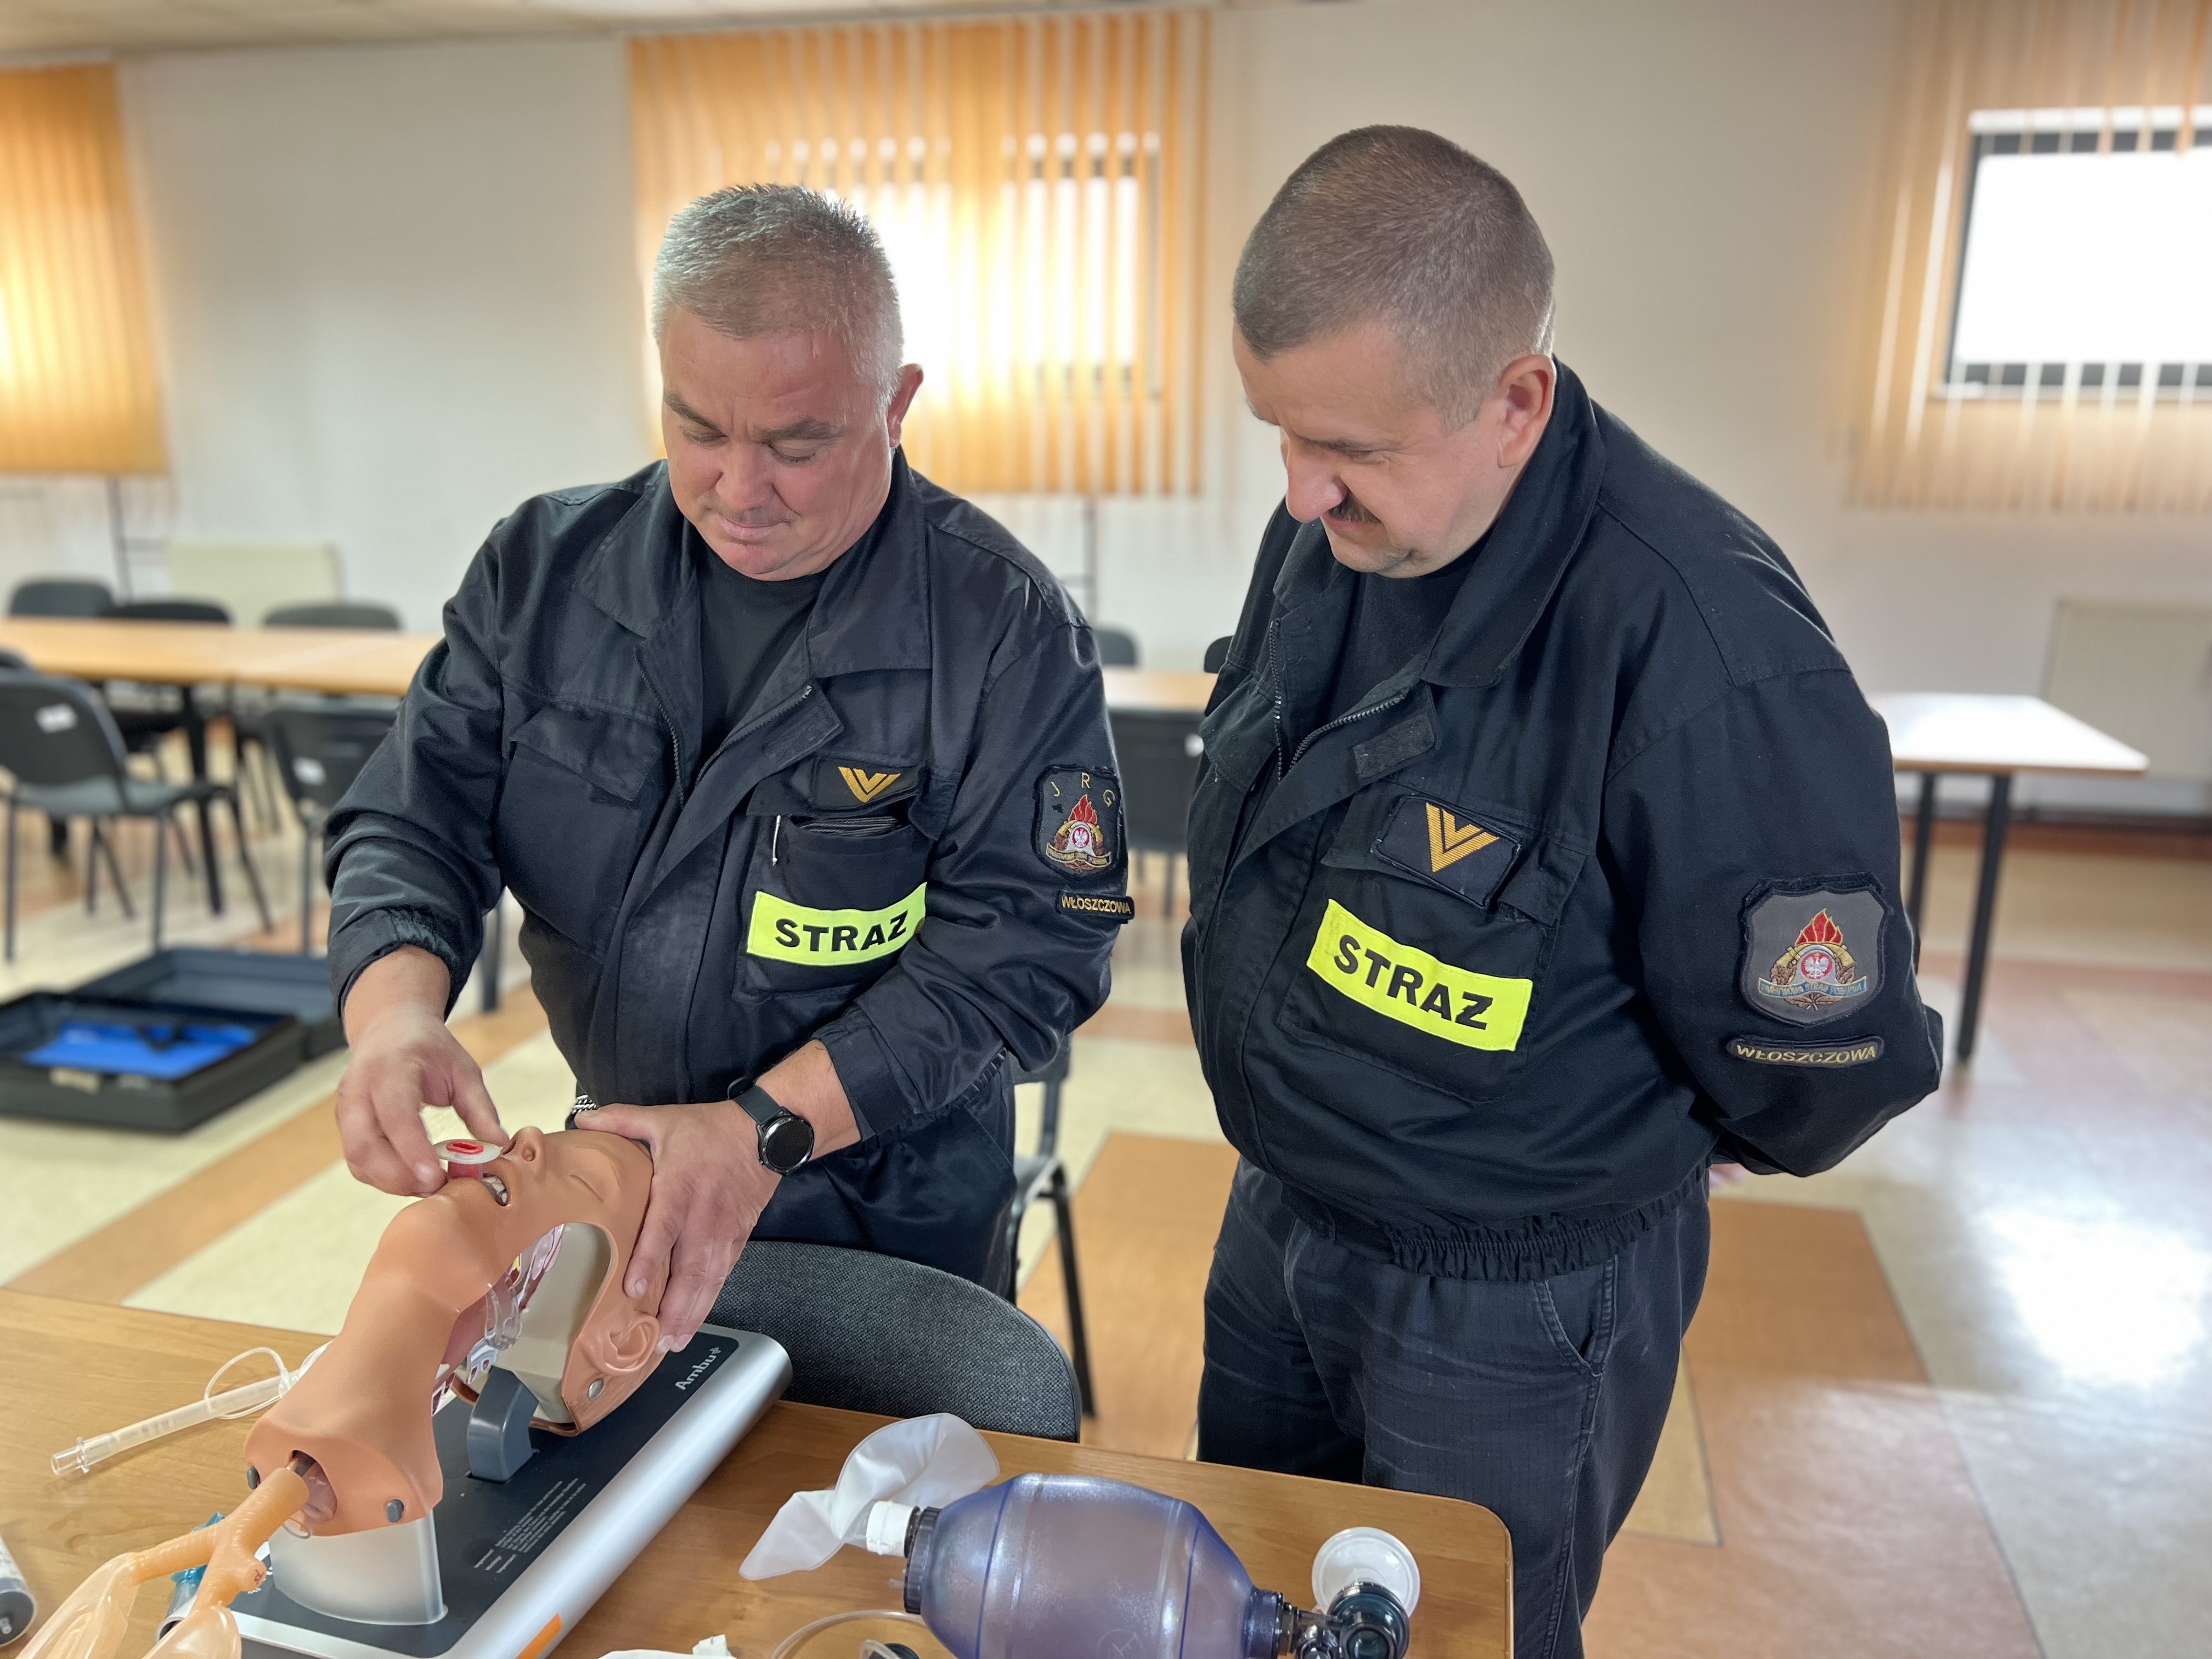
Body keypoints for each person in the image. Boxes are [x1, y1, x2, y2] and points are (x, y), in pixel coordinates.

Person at [1185, 128, 1942, 1659]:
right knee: (1243, 1614)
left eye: (1350, 447)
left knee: (1469, 1640)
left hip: (1508, 1297)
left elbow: (1818, 1054)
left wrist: (1642, 1151)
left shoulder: (1705, 646)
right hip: (1284, 1214)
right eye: (1279, 431)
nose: (1302, 488)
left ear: (1516, 400)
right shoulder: (1339, 530)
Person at [323, 185, 1132, 1352]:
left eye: (797, 446)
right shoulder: (545, 577)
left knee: (859, 1476)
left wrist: (765, 1128)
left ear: (897, 404)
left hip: (883, 1204)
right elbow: (415, 817)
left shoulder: (1001, 631)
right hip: (620, 1173)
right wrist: (396, 1016)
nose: (740, 490)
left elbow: (1033, 947)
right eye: (699, 429)